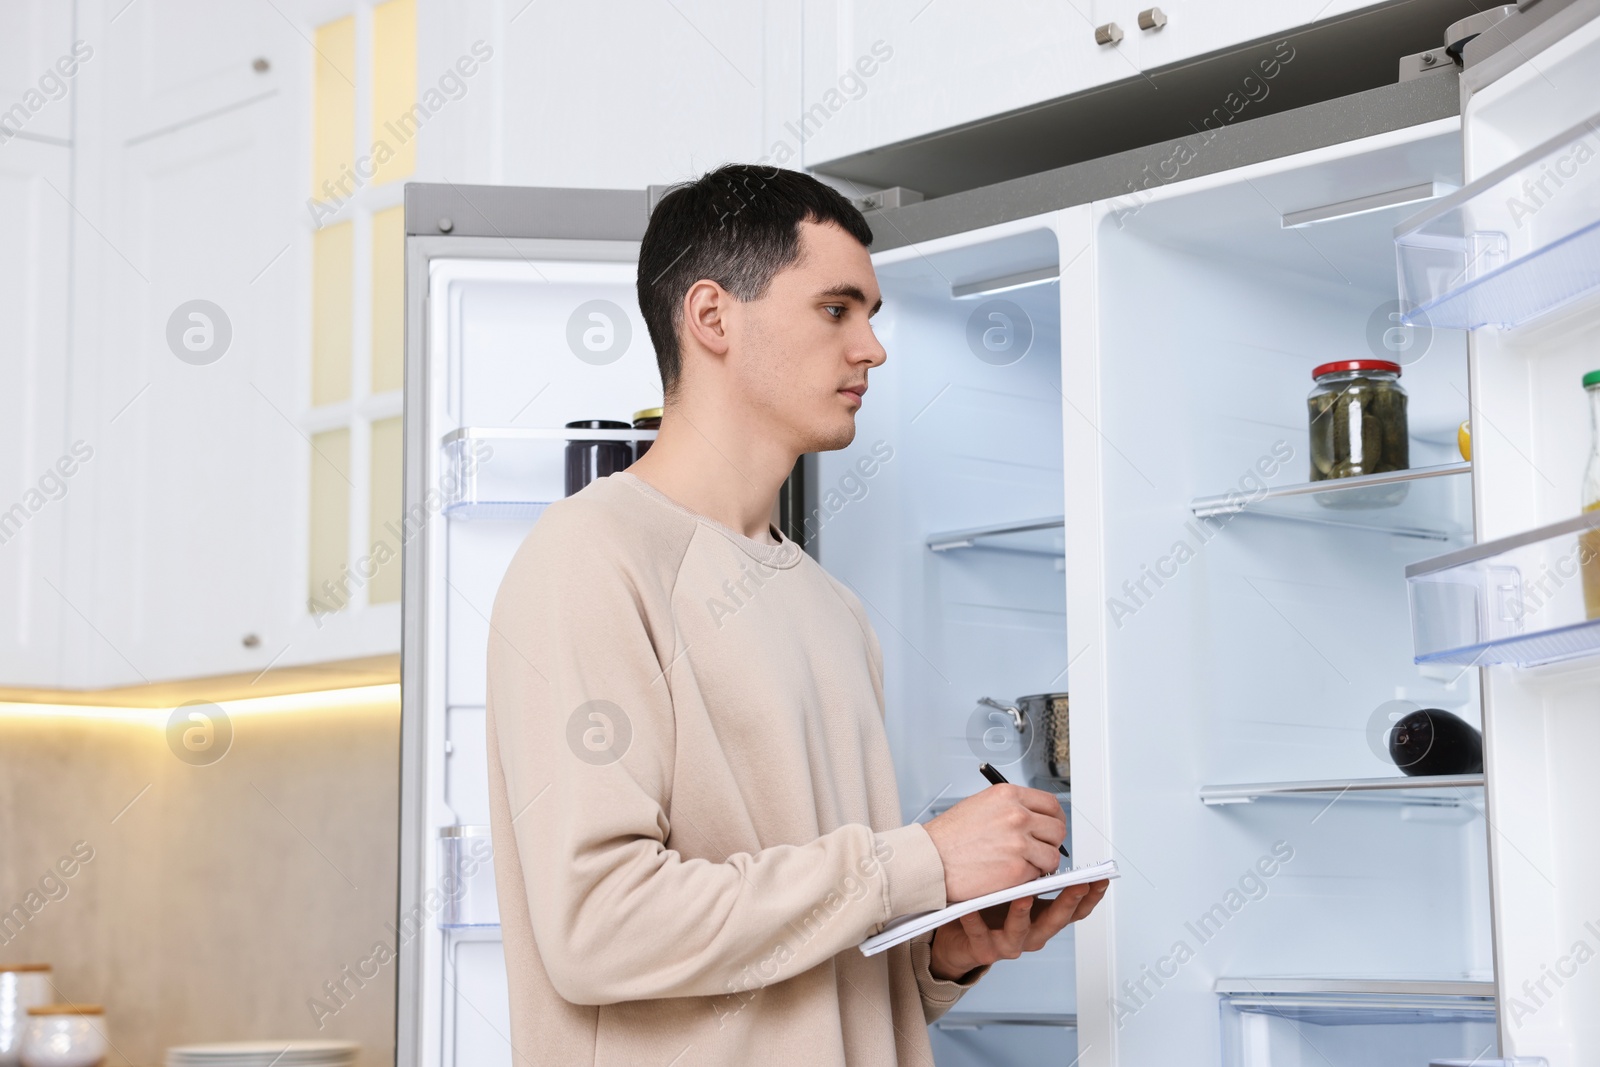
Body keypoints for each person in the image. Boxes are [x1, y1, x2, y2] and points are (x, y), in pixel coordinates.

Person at [486, 164, 1108, 1066]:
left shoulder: (830, 606)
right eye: (835, 309)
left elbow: (804, 966)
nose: (872, 349)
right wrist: (919, 861)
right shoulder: (590, 556)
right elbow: (597, 926)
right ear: (712, 317)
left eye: (872, 316)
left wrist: (937, 954)